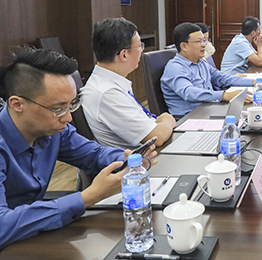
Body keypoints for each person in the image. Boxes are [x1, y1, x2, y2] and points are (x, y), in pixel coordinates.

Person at [0, 47, 157, 250]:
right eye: (58, 109)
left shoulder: (54, 130)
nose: (68, 117)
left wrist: (128, 158)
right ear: (17, 104)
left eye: (71, 105)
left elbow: (93, 154)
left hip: (31, 235)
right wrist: (90, 196)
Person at [80, 18, 176, 150]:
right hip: (138, 159)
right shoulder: (107, 93)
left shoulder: (109, 82)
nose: (141, 51)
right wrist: (167, 119)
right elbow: (157, 137)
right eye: (140, 46)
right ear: (124, 55)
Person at [161, 22, 262, 118]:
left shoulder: (201, 63)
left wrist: (257, 82)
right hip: (190, 118)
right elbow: (189, 93)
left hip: (209, 109)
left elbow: (224, 78)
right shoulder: (175, 67)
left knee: (254, 114)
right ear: (184, 46)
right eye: (199, 41)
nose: (204, 45)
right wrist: (224, 95)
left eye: (205, 40)